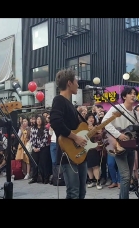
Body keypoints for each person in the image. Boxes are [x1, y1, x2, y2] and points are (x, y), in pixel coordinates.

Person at [50, 68, 88, 199]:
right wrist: (75, 137)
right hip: (68, 153)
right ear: (69, 83)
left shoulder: (70, 104)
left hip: (79, 153)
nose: (78, 84)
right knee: (73, 193)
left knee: (81, 192)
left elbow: (75, 127)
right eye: (76, 81)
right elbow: (55, 122)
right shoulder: (59, 100)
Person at [102, 86, 139, 199]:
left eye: (135, 93)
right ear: (124, 96)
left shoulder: (135, 114)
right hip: (116, 145)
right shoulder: (117, 108)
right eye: (130, 93)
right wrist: (118, 135)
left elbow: (133, 131)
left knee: (127, 177)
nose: (133, 95)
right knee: (125, 176)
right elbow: (105, 122)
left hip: (130, 146)